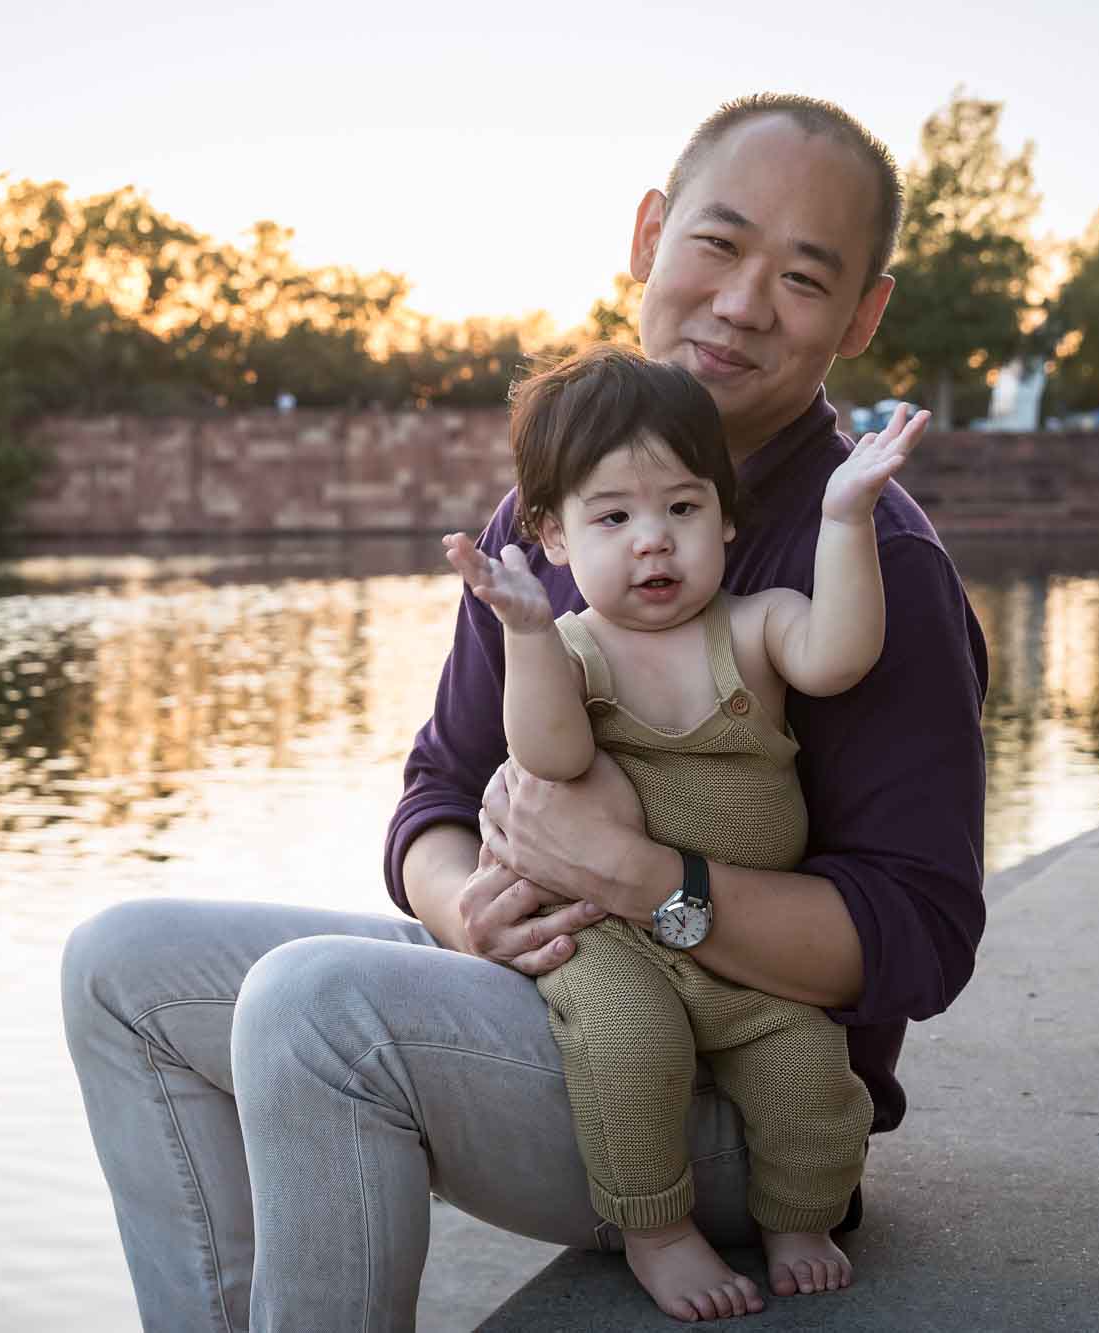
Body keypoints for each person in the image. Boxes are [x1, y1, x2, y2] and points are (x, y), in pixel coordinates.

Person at [61, 92, 988, 1333]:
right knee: (118, 966)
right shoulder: (545, 518)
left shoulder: (874, 562)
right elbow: (441, 791)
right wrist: (466, 909)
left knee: (312, 1007)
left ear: (863, 314)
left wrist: (639, 873)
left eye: (804, 278)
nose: (742, 302)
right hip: (548, 988)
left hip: (735, 1101)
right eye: (716, 244)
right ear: (650, 234)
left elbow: (917, 938)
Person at [440, 342, 928, 1320]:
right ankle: (655, 1229)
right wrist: (529, 635)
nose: (652, 541)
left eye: (680, 508)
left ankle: (799, 1216)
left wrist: (844, 516)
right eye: (612, 517)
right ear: (551, 534)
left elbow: (839, 654)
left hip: (738, 943)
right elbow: (552, 757)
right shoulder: (572, 647)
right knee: (628, 1044)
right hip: (608, 935)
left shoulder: (755, 626)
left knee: (806, 1067)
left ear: (725, 514)